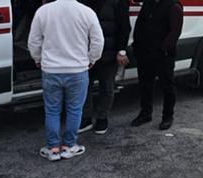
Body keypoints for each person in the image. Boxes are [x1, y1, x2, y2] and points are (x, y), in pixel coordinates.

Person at [28, 0, 104, 162]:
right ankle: (69, 146)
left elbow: (34, 41)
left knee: (52, 110)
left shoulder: (43, 11)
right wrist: (92, 59)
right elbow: (98, 41)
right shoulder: (86, 11)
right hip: (77, 70)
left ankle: (53, 148)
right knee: (75, 110)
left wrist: (38, 58)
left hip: (51, 70)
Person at [78, 0, 131, 135]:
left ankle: (102, 117)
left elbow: (124, 27)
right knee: (84, 86)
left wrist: (121, 50)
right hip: (86, 52)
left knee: (107, 87)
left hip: (109, 51)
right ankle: (86, 118)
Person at [131, 0, 183, 130]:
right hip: (144, 53)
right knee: (145, 85)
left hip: (163, 56)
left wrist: (163, 49)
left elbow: (175, 31)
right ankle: (145, 113)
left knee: (167, 87)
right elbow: (140, 25)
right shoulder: (149, 3)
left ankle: (167, 116)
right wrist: (137, 45)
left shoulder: (173, 5)